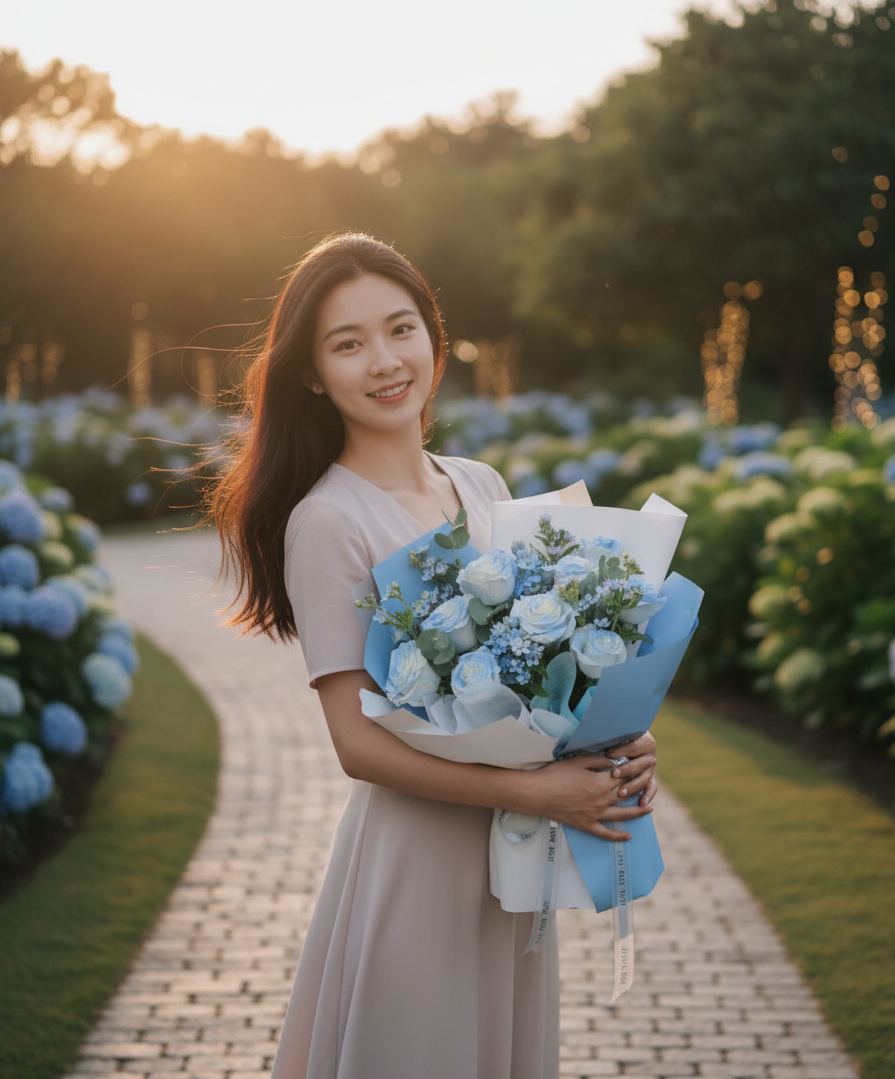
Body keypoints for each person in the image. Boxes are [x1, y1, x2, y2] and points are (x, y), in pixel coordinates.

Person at [211, 233, 658, 1079]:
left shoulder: (481, 485)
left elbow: (538, 676)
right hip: (418, 857)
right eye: (347, 344)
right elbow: (357, 743)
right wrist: (535, 788)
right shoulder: (328, 520)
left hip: (515, 853)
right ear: (312, 373)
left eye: (400, 328)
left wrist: (613, 742)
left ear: (434, 338)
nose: (383, 361)